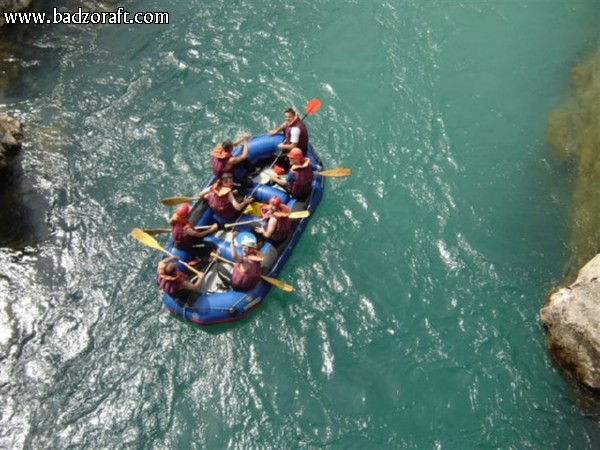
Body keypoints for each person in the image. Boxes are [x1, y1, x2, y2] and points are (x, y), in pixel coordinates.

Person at [268, 107, 309, 172]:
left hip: (299, 149)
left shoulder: (295, 130)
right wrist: (276, 131)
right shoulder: (294, 120)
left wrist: (283, 146)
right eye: (286, 116)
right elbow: (285, 124)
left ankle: (285, 169)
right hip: (293, 142)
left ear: (293, 116)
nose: (287, 118)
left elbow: (293, 146)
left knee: (277, 155)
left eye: (289, 117)